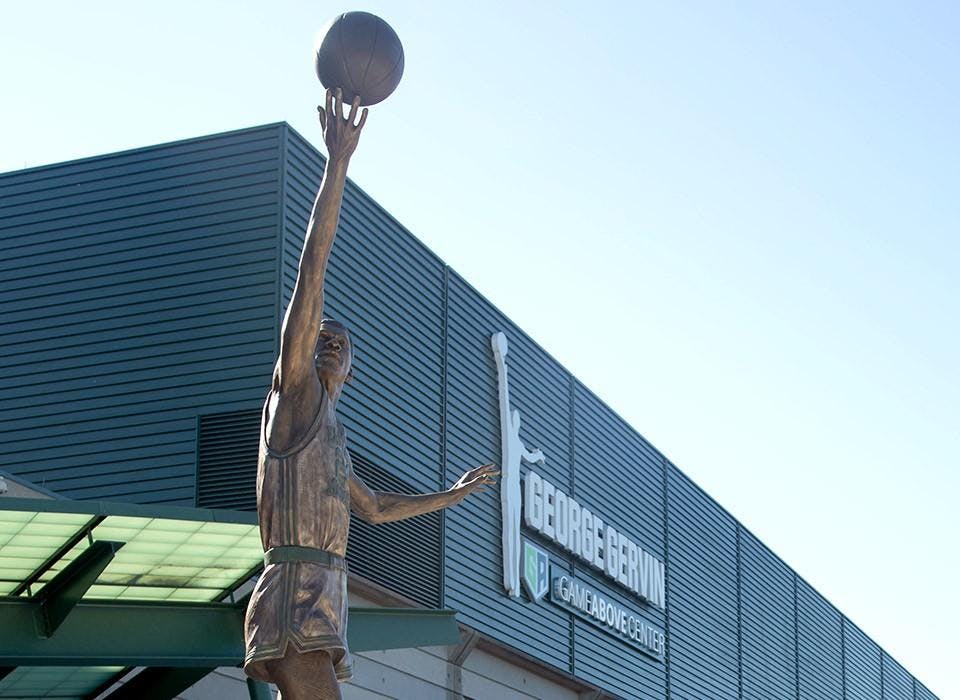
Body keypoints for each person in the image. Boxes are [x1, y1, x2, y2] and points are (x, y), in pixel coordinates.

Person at [243, 89, 499, 700]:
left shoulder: (332, 432)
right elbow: (314, 265)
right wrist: (338, 164)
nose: (328, 341)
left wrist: (452, 496)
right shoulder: (295, 394)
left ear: (352, 367)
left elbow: (377, 509)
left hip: (324, 599)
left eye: (341, 340)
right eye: (319, 335)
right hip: (294, 592)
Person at [491, 332, 545, 598]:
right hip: (507, 484)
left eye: (518, 420)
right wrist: (502, 362)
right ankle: (510, 580)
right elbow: (504, 393)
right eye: (515, 417)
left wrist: (538, 456)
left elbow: (531, 457)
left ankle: (513, 581)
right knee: (508, 530)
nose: (516, 420)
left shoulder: (518, 442)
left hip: (516, 491)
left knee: (515, 532)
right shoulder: (507, 432)